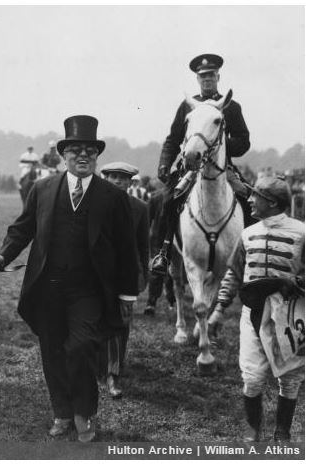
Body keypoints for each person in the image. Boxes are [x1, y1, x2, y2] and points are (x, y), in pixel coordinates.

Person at [0, 115, 139, 443]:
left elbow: (128, 249)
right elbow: (23, 228)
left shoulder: (112, 197)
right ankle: (62, 413)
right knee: (52, 349)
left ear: (96, 156)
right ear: (63, 155)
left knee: (82, 346)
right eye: (74, 150)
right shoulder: (43, 189)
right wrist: (4, 254)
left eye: (89, 151)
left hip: (90, 290)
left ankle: (85, 413)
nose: (82, 156)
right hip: (48, 286)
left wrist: (128, 294)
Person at [208, 176, 304, 443]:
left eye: (255, 196)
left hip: (291, 315)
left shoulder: (302, 233)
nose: (249, 199)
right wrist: (218, 310)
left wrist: (295, 283)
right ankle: (252, 430)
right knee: (252, 375)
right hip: (253, 314)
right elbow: (234, 275)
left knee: (291, 376)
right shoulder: (248, 234)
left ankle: (282, 431)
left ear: (271, 202)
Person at [150, 53, 251, 277]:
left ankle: (248, 257)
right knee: (167, 200)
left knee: (249, 199)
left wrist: (223, 144)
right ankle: (163, 252)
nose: (207, 79)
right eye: (203, 75)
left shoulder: (231, 107)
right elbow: (173, 139)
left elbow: (244, 141)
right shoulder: (187, 106)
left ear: (218, 76)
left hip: (222, 169)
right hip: (190, 168)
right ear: (197, 78)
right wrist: (165, 164)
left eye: (211, 75)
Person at [98, 161, 149, 398]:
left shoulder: (139, 208)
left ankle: (113, 375)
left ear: (131, 182)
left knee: (120, 324)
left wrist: (142, 276)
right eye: (113, 177)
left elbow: (143, 246)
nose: (118, 181)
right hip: (95, 273)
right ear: (105, 179)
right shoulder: (92, 203)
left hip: (124, 275)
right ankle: (94, 366)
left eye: (123, 177)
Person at [145, 180, 176, 315]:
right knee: (159, 270)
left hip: (166, 238)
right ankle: (153, 302)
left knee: (161, 270)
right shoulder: (158, 196)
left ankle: (156, 301)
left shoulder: (157, 196)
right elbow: (147, 220)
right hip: (162, 238)